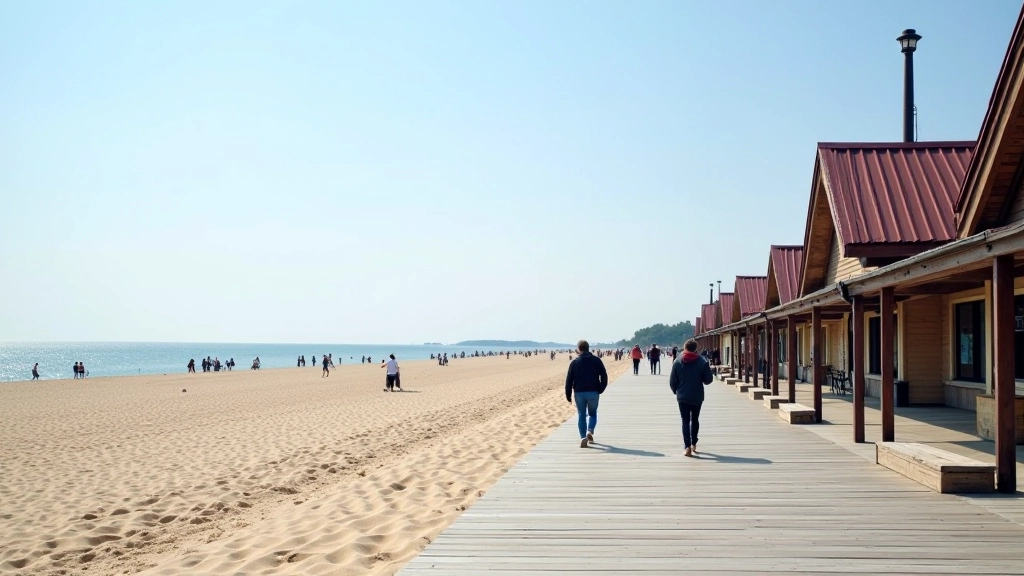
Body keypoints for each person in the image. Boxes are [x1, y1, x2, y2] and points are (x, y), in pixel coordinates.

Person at [669, 339, 714, 457]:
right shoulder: (702, 361)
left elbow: (672, 381)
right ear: (696, 349)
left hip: (682, 396)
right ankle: (694, 443)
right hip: (697, 395)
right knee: (695, 419)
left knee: (685, 421)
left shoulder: (677, 361)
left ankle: (687, 446)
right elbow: (708, 380)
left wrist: (677, 392)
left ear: (685, 348)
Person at [564, 340, 608, 448]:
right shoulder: (596, 360)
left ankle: (583, 437)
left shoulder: (575, 362)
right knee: (593, 413)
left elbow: (569, 380)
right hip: (593, 391)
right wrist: (601, 388)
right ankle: (590, 430)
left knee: (581, 415)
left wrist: (568, 394)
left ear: (579, 349)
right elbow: (604, 376)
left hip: (579, 392)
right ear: (588, 348)